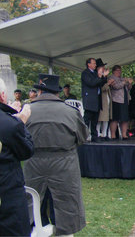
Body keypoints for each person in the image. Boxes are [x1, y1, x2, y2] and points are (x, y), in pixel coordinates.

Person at [24, 73, 89, 236]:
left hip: (34, 165)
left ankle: (34, 231)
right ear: (57, 92)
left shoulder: (27, 111)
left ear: (39, 91)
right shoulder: (71, 112)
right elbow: (83, 137)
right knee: (67, 208)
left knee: (31, 206)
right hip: (64, 165)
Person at [0, 78, 34, 236]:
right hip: (7, 196)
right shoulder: (9, 123)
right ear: (2, 96)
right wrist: (21, 122)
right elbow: (26, 151)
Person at [81, 57, 109, 143]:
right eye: (93, 63)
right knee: (87, 119)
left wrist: (104, 76)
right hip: (90, 99)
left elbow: (101, 82)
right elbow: (91, 83)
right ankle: (83, 135)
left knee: (95, 120)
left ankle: (94, 135)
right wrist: (100, 76)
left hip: (97, 99)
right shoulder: (85, 73)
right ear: (88, 64)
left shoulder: (95, 73)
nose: (95, 65)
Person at [109, 65, 133, 140]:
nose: (119, 72)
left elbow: (129, 88)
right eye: (117, 70)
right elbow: (116, 87)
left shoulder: (122, 78)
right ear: (114, 71)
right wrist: (124, 82)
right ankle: (113, 135)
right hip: (116, 100)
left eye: (120, 70)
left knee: (125, 118)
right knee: (115, 118)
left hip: (124, 100)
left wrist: (129, 83)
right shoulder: (111, 78)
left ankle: (124, 134)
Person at [97, 60, 114, 140]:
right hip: (101, 99)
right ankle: (97, 134)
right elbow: (102, 88)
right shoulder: (98, 77)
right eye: (102, 67)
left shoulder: (104, 77)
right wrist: (108, 83)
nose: (104, 68)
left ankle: (104, 134)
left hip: (107, 98)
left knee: (106, 118)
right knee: (100, 118)